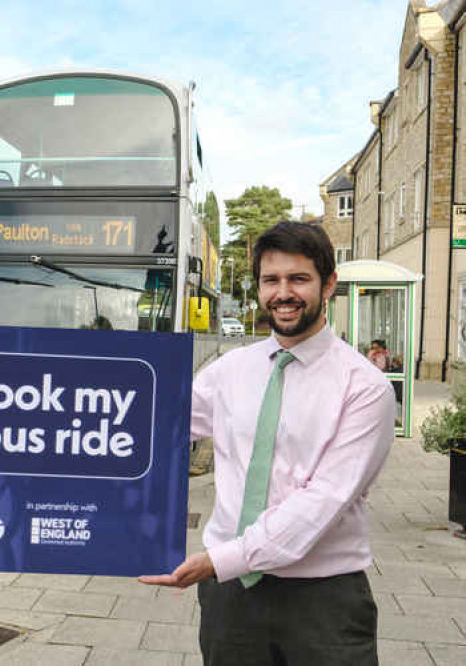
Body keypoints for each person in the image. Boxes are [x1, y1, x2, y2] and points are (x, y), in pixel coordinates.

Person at [141, 222, 394, 664]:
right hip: (231, 598)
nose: (283, 293)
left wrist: (221, 560)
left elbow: (323, 501)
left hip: (324, 600)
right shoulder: (230, 370)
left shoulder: (365, 387)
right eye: (270, 280)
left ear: (328, 284)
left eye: (298, 279)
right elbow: (155, 428)